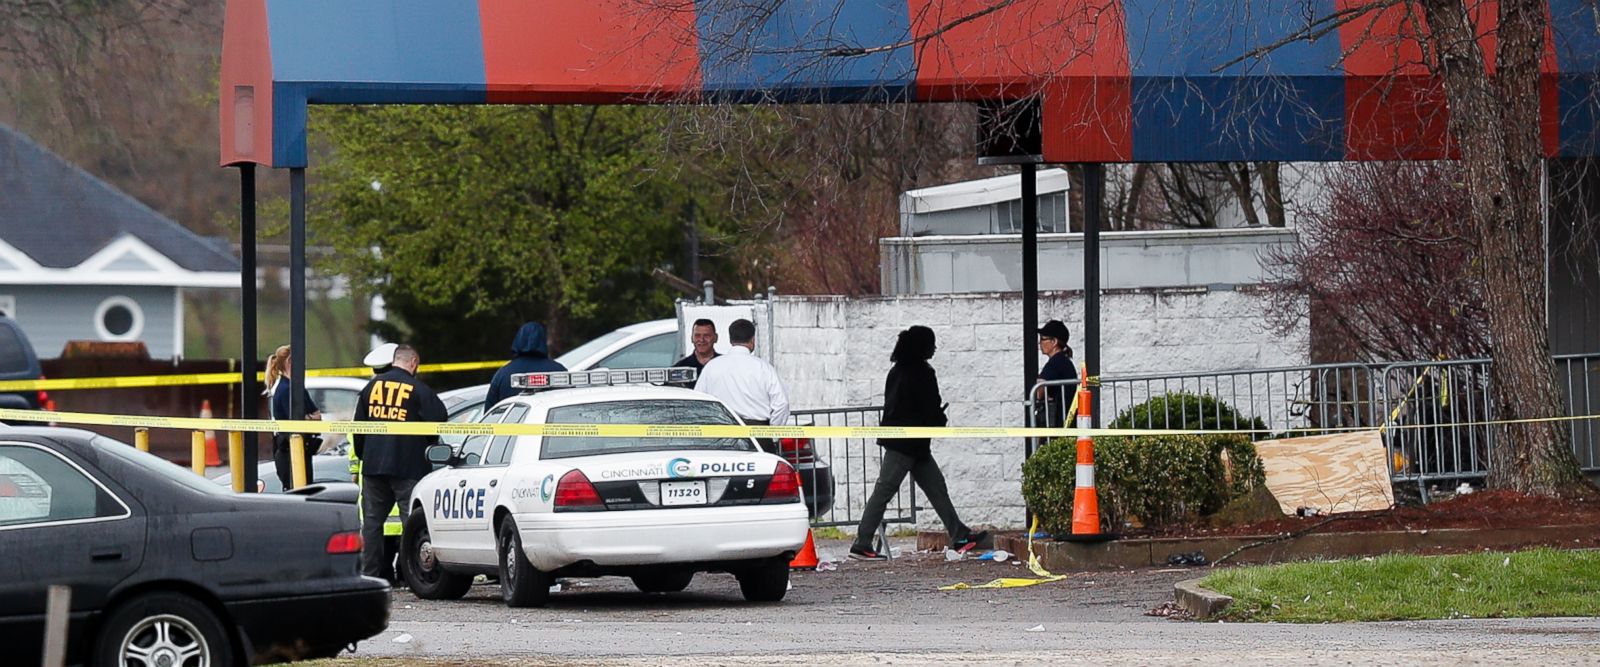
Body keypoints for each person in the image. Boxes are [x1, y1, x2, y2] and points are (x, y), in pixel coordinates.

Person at [849, 326, 986, 560]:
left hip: (906, 442)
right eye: (931, 344)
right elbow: (929, 407)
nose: (934, 348)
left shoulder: (898, 370)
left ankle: (959, 534)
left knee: (936, 487)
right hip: (908, 445)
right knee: (884, 491)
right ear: (922, 346)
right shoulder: (922, 372)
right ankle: (862, 542)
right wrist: (939, 419)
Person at [353, 344, 448, 579]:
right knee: (412, 523)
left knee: (372, 525)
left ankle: (370, 576)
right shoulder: (417, 389)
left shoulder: (370, 388)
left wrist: (366, 456)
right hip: (408, 466)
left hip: (374, 467)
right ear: (413, 363)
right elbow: (439, 418)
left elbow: (358, 429)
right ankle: (414, 575)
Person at [694, 319, 788, 451]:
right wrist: (773, 433)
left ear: (730, 340)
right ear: (752, 339)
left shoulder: (711, 367)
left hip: (720, 436)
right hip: (758, 436)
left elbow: (698, 402)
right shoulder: (764, 368)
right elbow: (781, 404)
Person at [264, 345, 322, 490]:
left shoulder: (294, 387)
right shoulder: (286, 390)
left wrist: (308, 418)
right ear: (290, 362)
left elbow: (317, 416)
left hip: (297, 452)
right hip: (290, 454)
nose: (303, 366)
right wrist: (308, 418)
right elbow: (298, 421)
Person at [484, 322, 566, 409]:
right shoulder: (559, 371)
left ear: (518, 340)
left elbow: (489, 414)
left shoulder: (502, 374)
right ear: (543, 341)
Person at [1034, 319, 1076, 428]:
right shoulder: (1064, 361)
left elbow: (1040, 386)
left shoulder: (1056, 362)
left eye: (1043, 339)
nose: (1040, 343)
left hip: (1059, 422)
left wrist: (1040, 397)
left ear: (1054, 342)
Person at [671, 319, 720, 387]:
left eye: (706, 335)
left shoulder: (725, 365)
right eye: (697, 335)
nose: (701, 339)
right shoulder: (679, 368)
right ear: (692, 338)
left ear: (716, 338)